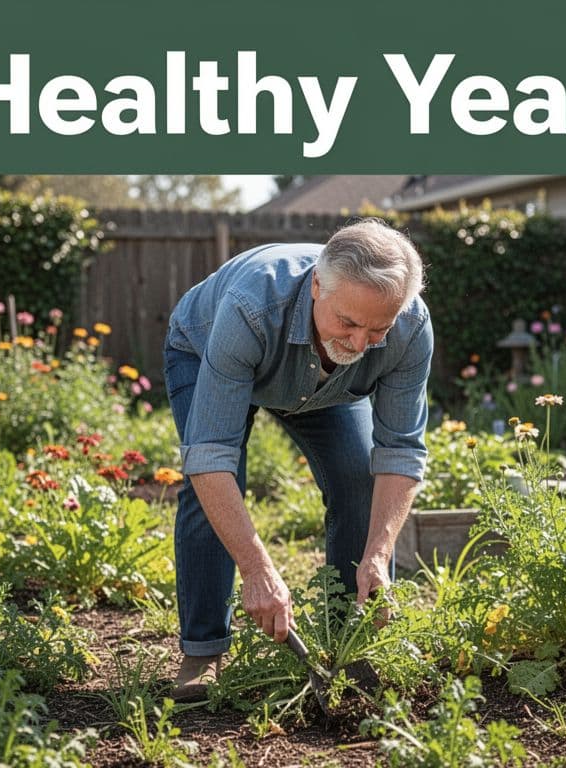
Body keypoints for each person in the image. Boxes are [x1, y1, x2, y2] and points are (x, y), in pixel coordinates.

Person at [163, 218, 433, 701]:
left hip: (330, 386)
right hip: (207, 347)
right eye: (347, 322)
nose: (358, 342)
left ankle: (348, 643)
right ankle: (202, 651)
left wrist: (378, 554)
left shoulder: (410, 328)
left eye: (378, 329)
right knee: (214, 491)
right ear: (316, 286)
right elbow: (210, 456)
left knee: (357, 476)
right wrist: (257, 570)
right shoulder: (251, 307)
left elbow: (400, 450)